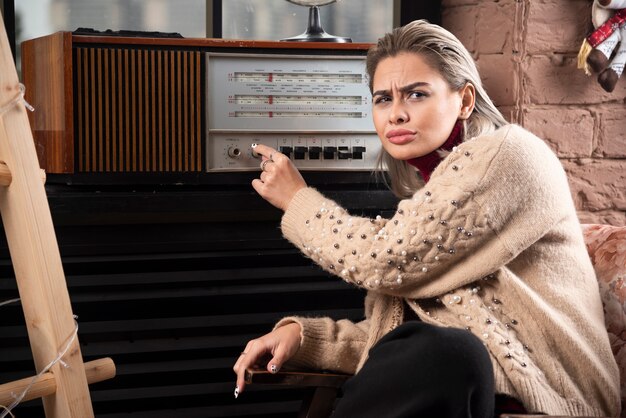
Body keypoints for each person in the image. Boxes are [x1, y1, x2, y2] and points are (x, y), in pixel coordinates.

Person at [232, 19, 621, 417]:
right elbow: (401, 336)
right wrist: (306, 337)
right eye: (383, 99)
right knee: (443, 348)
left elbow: (382, 260)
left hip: (549, 397)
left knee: (450, 350)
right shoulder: (432, 196)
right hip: (462, 389)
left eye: (416, 94)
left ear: (465, 100)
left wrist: (297, 200)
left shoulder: (509, 155)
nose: (396, 114)